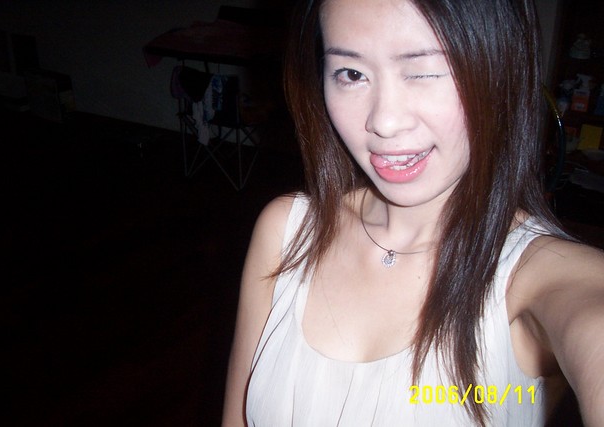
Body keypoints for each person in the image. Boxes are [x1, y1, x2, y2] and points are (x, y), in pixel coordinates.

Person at [222, 0, 604, 425]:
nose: (384, 122)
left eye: (424, 71)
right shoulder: (288, 232)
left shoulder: (535, 275)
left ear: (501, 71)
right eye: (352, 74)